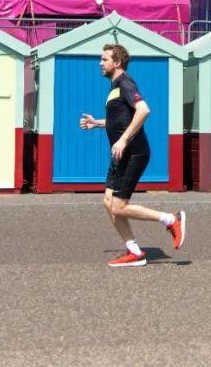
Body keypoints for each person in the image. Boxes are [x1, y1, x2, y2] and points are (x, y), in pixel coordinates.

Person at [80, 43, 186, 267]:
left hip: (134, 153)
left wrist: (123, 139)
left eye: (104, 59)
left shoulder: (125, 83)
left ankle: (171, 219)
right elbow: (120, 119)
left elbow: (144, 110)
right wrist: (97, 123)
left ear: (117, 62)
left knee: (119, 206)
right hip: (120, 155)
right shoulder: (114, 87)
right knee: (109, 202)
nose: (100, 63)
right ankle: (134, 252)